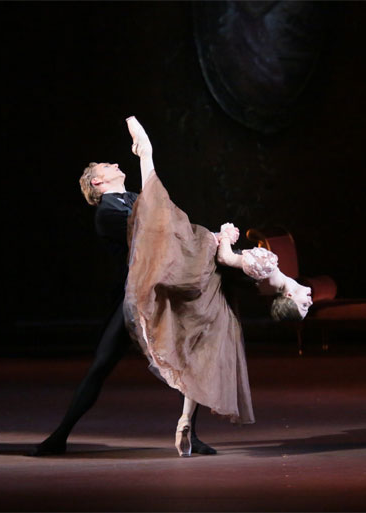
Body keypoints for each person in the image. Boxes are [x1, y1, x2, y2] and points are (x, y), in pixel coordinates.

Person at [122, 117, 312, 456]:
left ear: (289, 297)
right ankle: (184, 422)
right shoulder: (272, 279)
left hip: (207, 265)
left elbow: (228, 259)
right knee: (203, 360)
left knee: (167, 226)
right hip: (217, 288)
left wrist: (226, 236)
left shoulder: (266, 267)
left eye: (303, 304)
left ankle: (146, 157)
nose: (308, 298)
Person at [28, 124, 216, 457]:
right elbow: (148, 228)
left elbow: (163, 222)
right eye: (107, 167)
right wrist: (146, 157)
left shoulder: (132, 198)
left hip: (156, 293)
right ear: (98, 183)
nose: (115, 165)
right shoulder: (106, 213)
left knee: (184, 361)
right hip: (133, 298)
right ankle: (58, 437)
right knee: (102, 365)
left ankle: (191, 433)